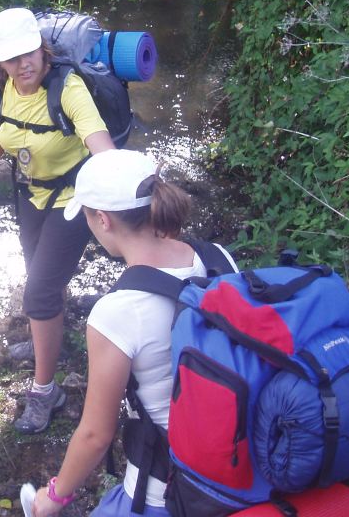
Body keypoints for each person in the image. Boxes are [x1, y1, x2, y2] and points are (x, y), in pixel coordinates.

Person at [30, 149, 238, 517]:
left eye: (89, 217)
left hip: (168, 488)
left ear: (103, 220)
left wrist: (54, 497)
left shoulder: (117, 312)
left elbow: (96, 435)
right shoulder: (217, 257)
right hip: (238, 460)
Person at [0, 7, 115, 434]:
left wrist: (118, 182)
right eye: (11, 58)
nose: (23, 64)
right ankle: (47, 339)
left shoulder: (68, 88)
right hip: (29, 192)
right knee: (39, 276)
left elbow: (101, 145)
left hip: (74, 197)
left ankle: (46, 391)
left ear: (42, 49)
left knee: (39, 292)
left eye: (29, 53)